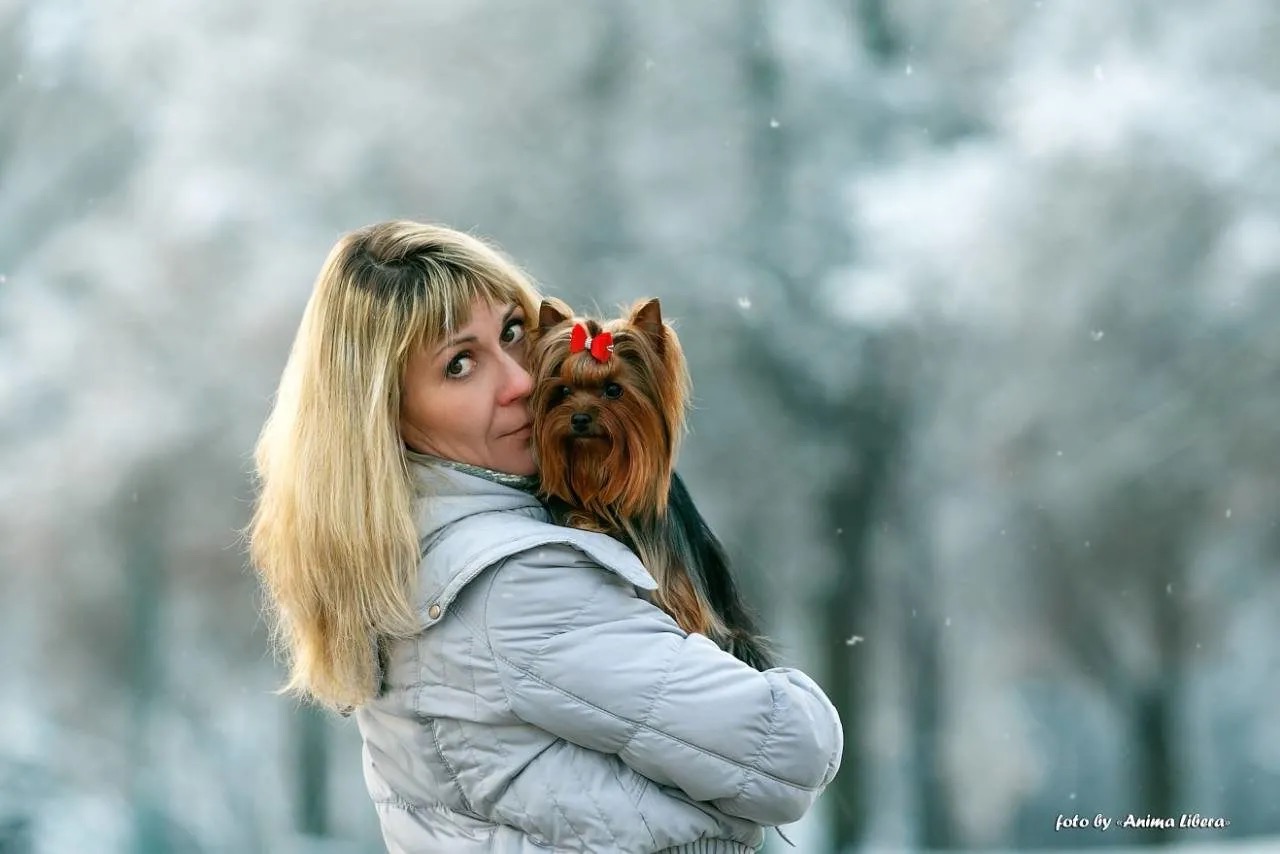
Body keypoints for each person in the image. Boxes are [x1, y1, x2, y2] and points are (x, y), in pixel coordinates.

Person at [247, 221, 843, 853]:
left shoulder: (405, 558)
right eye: (460, 364)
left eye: (511, 333)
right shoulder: (515, 582)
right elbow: (790, 751)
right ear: (384, 415)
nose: (523, 382)